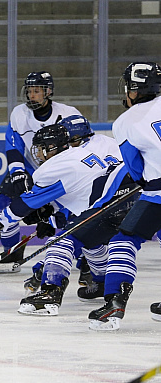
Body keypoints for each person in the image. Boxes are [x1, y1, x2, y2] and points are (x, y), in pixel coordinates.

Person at [0, 117, 136, 316]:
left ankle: (50, 295)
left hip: (109, 202)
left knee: (62, 241)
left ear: (52, 148)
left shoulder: (54, 167)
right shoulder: (83, 153)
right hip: (131, 197)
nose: (39, 155)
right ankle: (103, 281)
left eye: (41, 149)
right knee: (91, 241)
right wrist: (51, 214)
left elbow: (26, 203)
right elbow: (77, 192)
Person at [0, 71, 82, 273]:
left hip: (61, 173)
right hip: (30, 168)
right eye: (29, 91)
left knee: (68, 213)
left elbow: (81, 144)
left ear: (48, 91)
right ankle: (12, 253)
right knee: (2, 204)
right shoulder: (19, 114)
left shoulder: (69, 114)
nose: (32, 95)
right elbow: (13, 144)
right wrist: (17, 171)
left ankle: (85, 255)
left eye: (37, 91)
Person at [88, 62, 161, 331]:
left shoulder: (125, 122)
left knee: (124, 239)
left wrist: (143, 180)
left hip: (158, 192)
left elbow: (135, 168)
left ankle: (114, 303)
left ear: (134, 88)